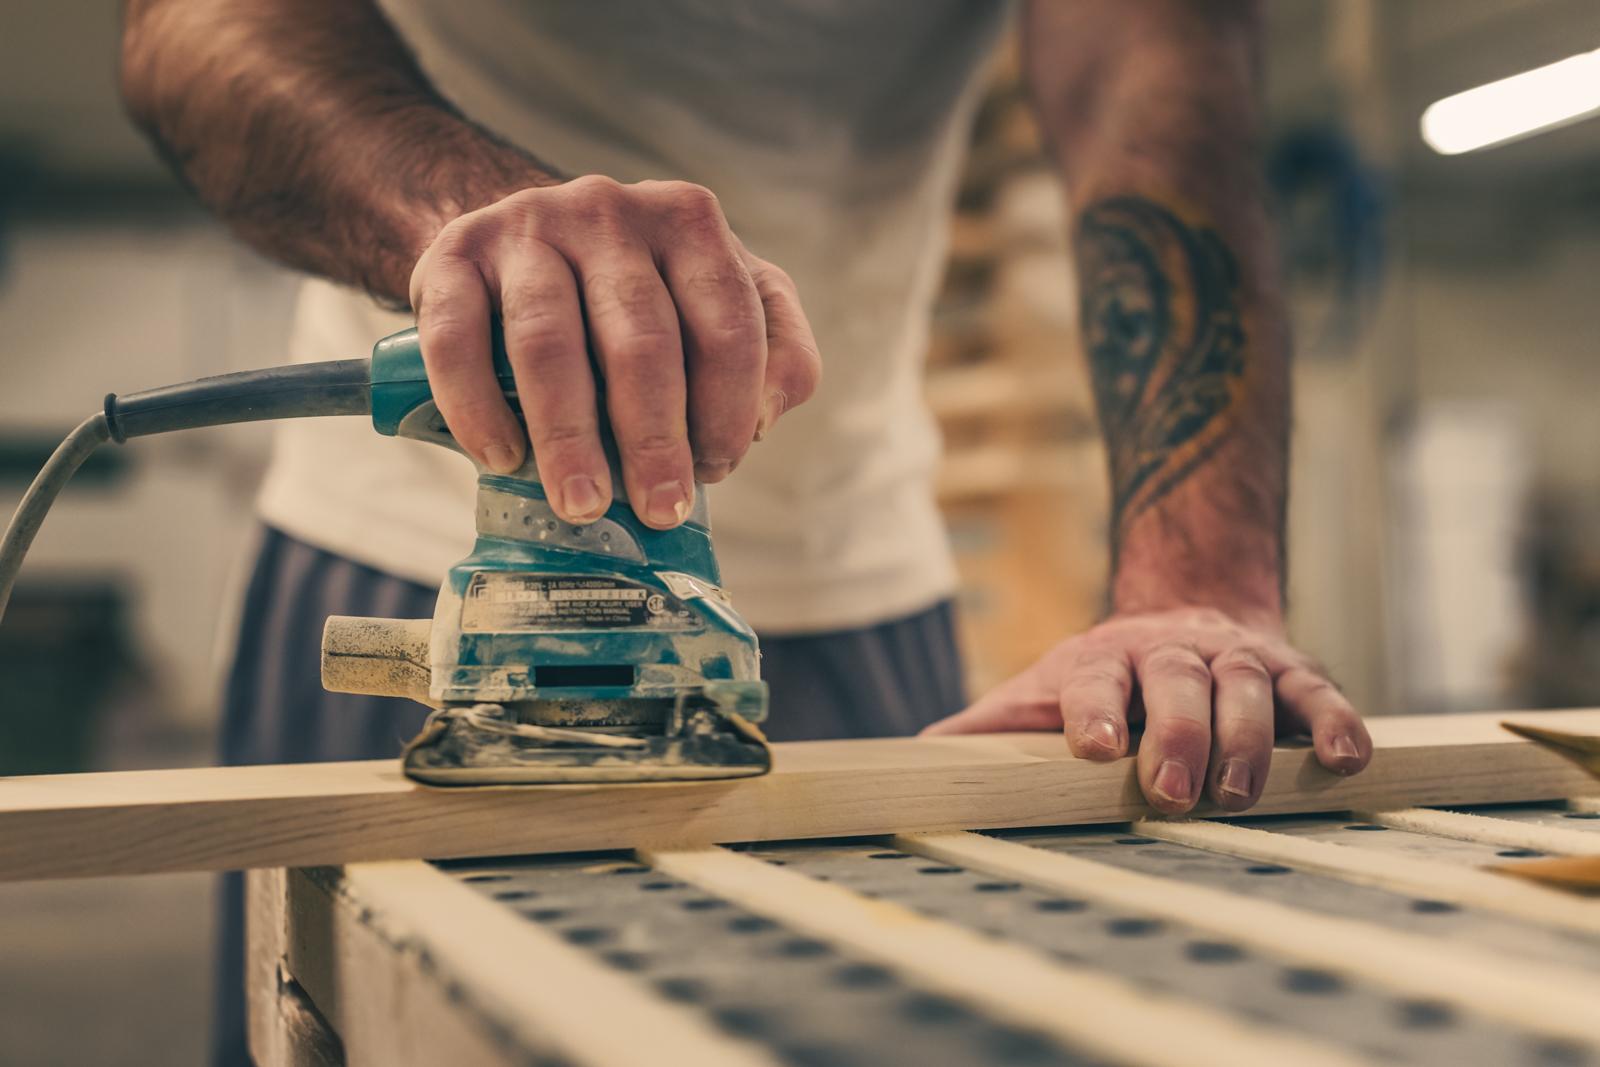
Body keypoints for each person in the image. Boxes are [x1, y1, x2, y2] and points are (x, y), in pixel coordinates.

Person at [120, 2, 1372, 1063]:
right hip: (384, 533)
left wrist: (1194, 582)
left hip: (860, 565)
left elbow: (1152, 58)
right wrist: (486, 245)